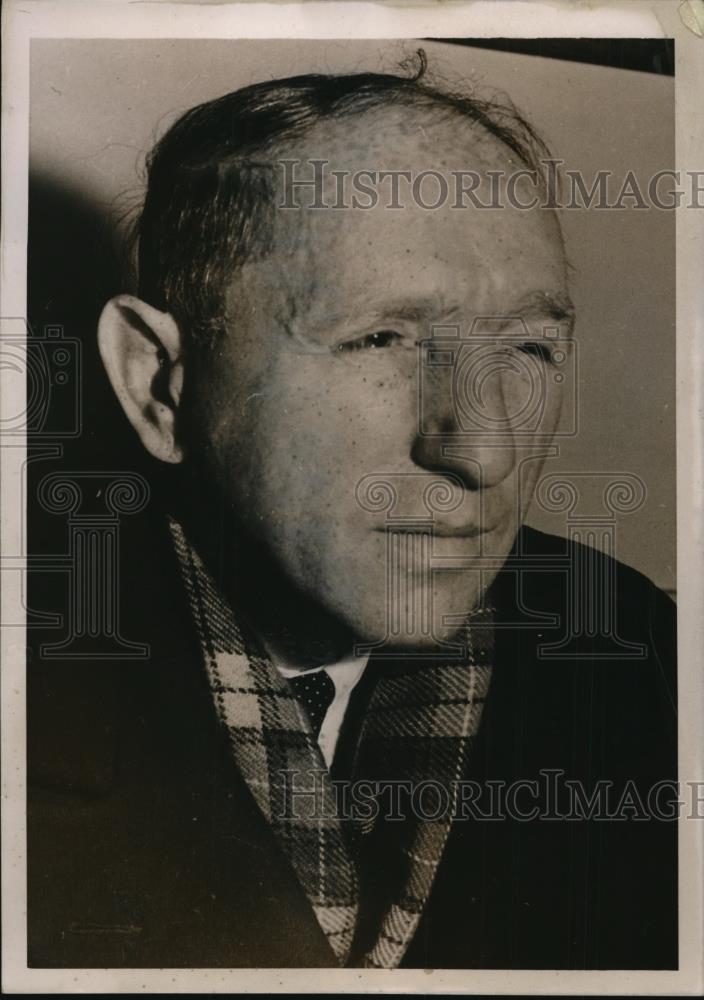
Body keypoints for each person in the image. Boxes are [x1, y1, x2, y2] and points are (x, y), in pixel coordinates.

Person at [27, 62, 677, 970]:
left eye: (530, 346)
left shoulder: (647, 666)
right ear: (158, 387)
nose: (484, 454)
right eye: (382, 339)